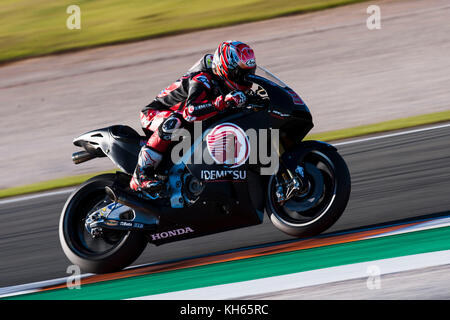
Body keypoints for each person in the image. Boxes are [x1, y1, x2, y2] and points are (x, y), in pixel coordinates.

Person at [130, 40, 257, 193]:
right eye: (240, 73)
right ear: (226, 68)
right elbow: (190, 112)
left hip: (187, 119)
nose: (245, 78)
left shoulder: (228, 82)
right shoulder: (202, 78)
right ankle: (141, 174)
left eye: (249, 73)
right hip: (154, 113)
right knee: (175, 121)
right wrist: (222, 102)